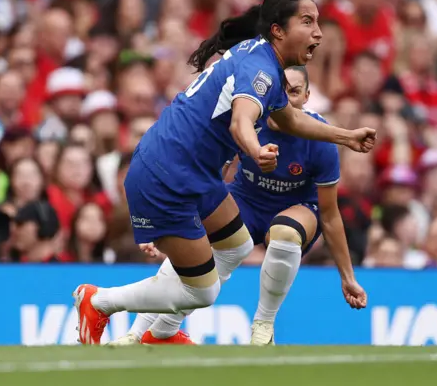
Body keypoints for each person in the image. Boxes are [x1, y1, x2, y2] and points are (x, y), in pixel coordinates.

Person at [73, 0, 376, 345]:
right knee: (202, 292)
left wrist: (345, 136)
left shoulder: (263, 59)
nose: (319, 32)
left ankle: (159, 333)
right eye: (307, 22)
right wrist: (255, 148)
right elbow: (241, 122)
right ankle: (100, 301)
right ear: (278, 30)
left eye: (318, 23)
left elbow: (290, 120)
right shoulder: (262, 70)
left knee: (237, 245)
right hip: (166, 175)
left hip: (190, 170)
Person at [113, 66, 367, 346]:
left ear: (306, 97)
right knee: (196, 248)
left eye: (294, 92)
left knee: (284, 232)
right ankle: (140, 334)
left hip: (299, 207)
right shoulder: (246, 121)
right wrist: (170, 226)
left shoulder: (321, 141)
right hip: (246, 200)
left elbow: (329, 214)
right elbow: (209, 177)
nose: (286, 98)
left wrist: (348, 277)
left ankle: (263, 325)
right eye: (280, 90)